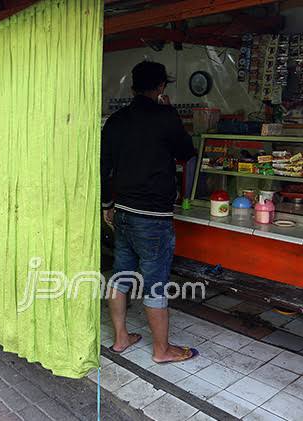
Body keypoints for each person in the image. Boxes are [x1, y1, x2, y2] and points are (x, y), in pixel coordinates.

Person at [101, 61, 198, 363]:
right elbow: (187, 153)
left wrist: (107, 205)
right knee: (155, 283)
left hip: (123, 211)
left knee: (120, 276)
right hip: (153, 217)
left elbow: (104, 168)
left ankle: (121, 339)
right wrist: (169, 113)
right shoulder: (165, 117)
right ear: (160, 87)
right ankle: (162, 350)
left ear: (132, 87)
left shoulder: (116, 120)